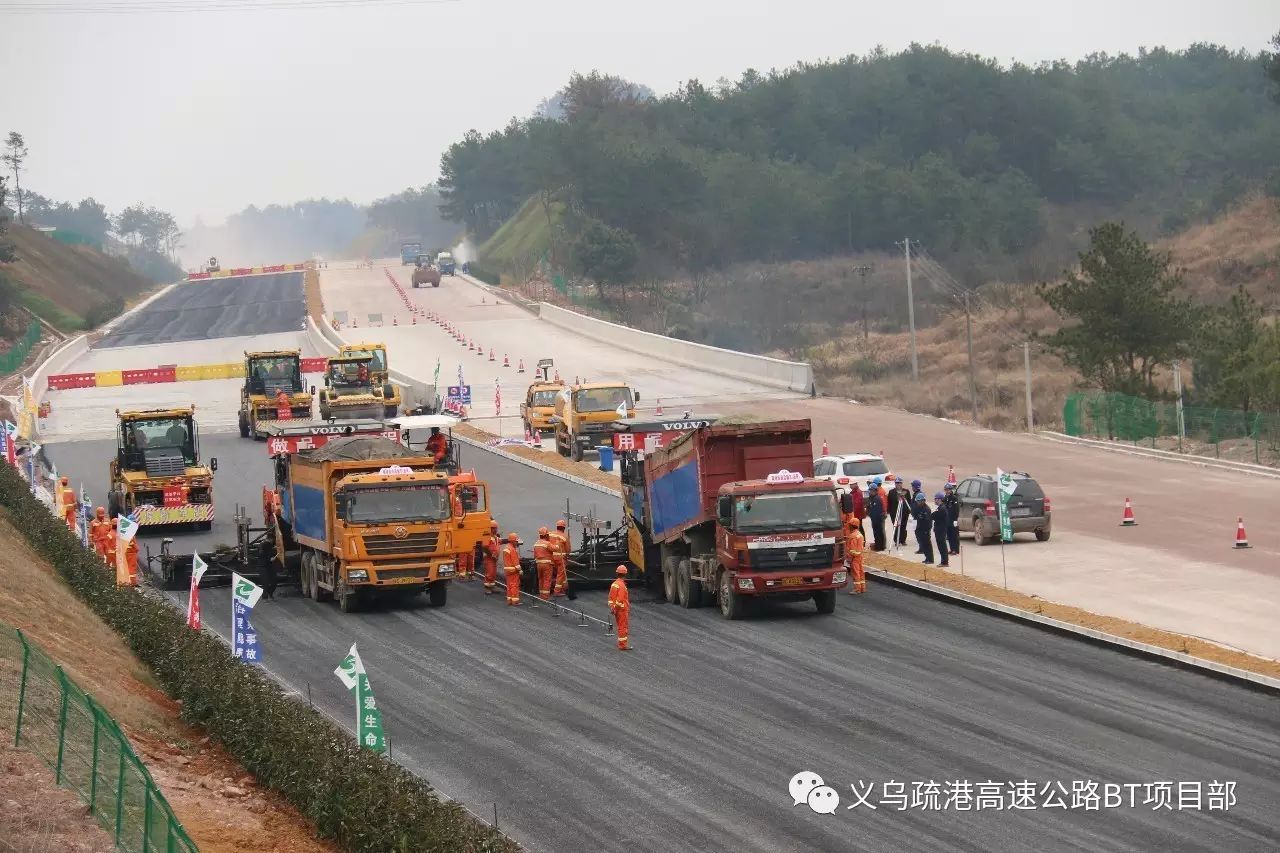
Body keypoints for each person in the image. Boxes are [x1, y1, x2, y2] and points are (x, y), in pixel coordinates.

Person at [608, 565, 631, 651]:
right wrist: (616, 608)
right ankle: (622, 645)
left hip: (617, 610)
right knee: (623, 627)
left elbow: (610, 598)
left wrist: (612, 608)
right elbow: (620, 599)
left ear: (617, 573)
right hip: (621, 610)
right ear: (625, 574)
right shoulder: (621, 585)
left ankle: (622, 644)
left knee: (620, 626)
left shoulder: (614, 584)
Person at [549, 519, 570, 598]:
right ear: (564, 528)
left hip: (551, 557)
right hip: (560, 558)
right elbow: (568, 550)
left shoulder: (550, 534)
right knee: (560, 574)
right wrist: (567, 556)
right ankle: (557, 591)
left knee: (556, 573)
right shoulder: (564, 537)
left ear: (557, 526)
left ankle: (562, 588)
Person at [913, 492, 934, 565]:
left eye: (919, 501)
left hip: (925, 529)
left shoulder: (927, 509)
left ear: (923, 501)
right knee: (922, 544)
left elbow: (928, 521)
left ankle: (930, 559)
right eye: (917, 501)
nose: (918, 502)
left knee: (927, 544)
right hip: (919, 528)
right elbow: (914, 516)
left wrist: (927, 530)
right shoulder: (917, 508)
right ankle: (927, 557)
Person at [533, 527, 554, 601]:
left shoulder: (536, 544)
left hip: (539, 564)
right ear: (545, 535)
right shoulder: (547, 543)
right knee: (547, 579)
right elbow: (554, 549)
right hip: (547, 564)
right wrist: (557, 544)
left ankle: (541, 595)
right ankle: (545, 596)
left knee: (541, 579)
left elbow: (535, 556)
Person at [501, 532, 522, 606]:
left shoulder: (506, 548)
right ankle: (515, 601)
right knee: (514, 585)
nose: (517, 543)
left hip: (507, 570)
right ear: (512, 541)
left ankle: (509, 600)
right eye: (516, 541)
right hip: (513, 570)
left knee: (509, 585)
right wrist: (520, 570)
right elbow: (515, 562)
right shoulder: (512, 549)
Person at [846, 519, 866, 595]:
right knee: (861, 572)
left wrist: (849, 558)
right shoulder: (860, 534)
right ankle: (862, 588)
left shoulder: (852, 536)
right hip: (860, 556)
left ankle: (857, 589)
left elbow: (852, 550)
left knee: (855, 573)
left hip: (854, 558)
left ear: (851, 525)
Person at [865, 479, 886, 552]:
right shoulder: (872, 498)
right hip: (874, 519)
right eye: (869, 490)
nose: (869, 492)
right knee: (876, 533)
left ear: (874, 491)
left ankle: (879, 546)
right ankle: (879, 545)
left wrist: (872, 516)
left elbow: (876, 511)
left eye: (871, 491)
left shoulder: (877, 499)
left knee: (878, 533)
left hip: (877, 519)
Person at [931, 493, 951, 568]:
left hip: (941, 529)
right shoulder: (941, 507)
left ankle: (944, 562)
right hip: (940, 529)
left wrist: (932, 515)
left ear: (939, 499)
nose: (935, 500)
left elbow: (934, 516)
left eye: (936, 499)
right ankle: (944, 561)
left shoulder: (942, 508)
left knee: (942, 546)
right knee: (941, 546)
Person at [482, 520, 500, 595]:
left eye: (496, 528)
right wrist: (491, 554)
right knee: (489, 572)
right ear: (491, 528)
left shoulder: (495, 537)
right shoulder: (487, 537)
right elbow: (484, 547)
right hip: (489, 558)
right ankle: (487, 588)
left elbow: (500, 541)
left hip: (494, 558)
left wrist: (510, 540)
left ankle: (492, 586)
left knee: (493, 573)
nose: (496, 530)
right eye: (494, 528)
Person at [943, 482, 961, 556]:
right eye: (946, 490)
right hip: (947, 520)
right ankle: (951, 548)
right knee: (949, 535)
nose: (947, 491)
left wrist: (955, 520)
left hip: (953, 520)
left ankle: (955, 550)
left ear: (951, 490)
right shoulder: (945, 498)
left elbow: (956, 510)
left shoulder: (954, 498)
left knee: (954, 535)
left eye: (948, 489)